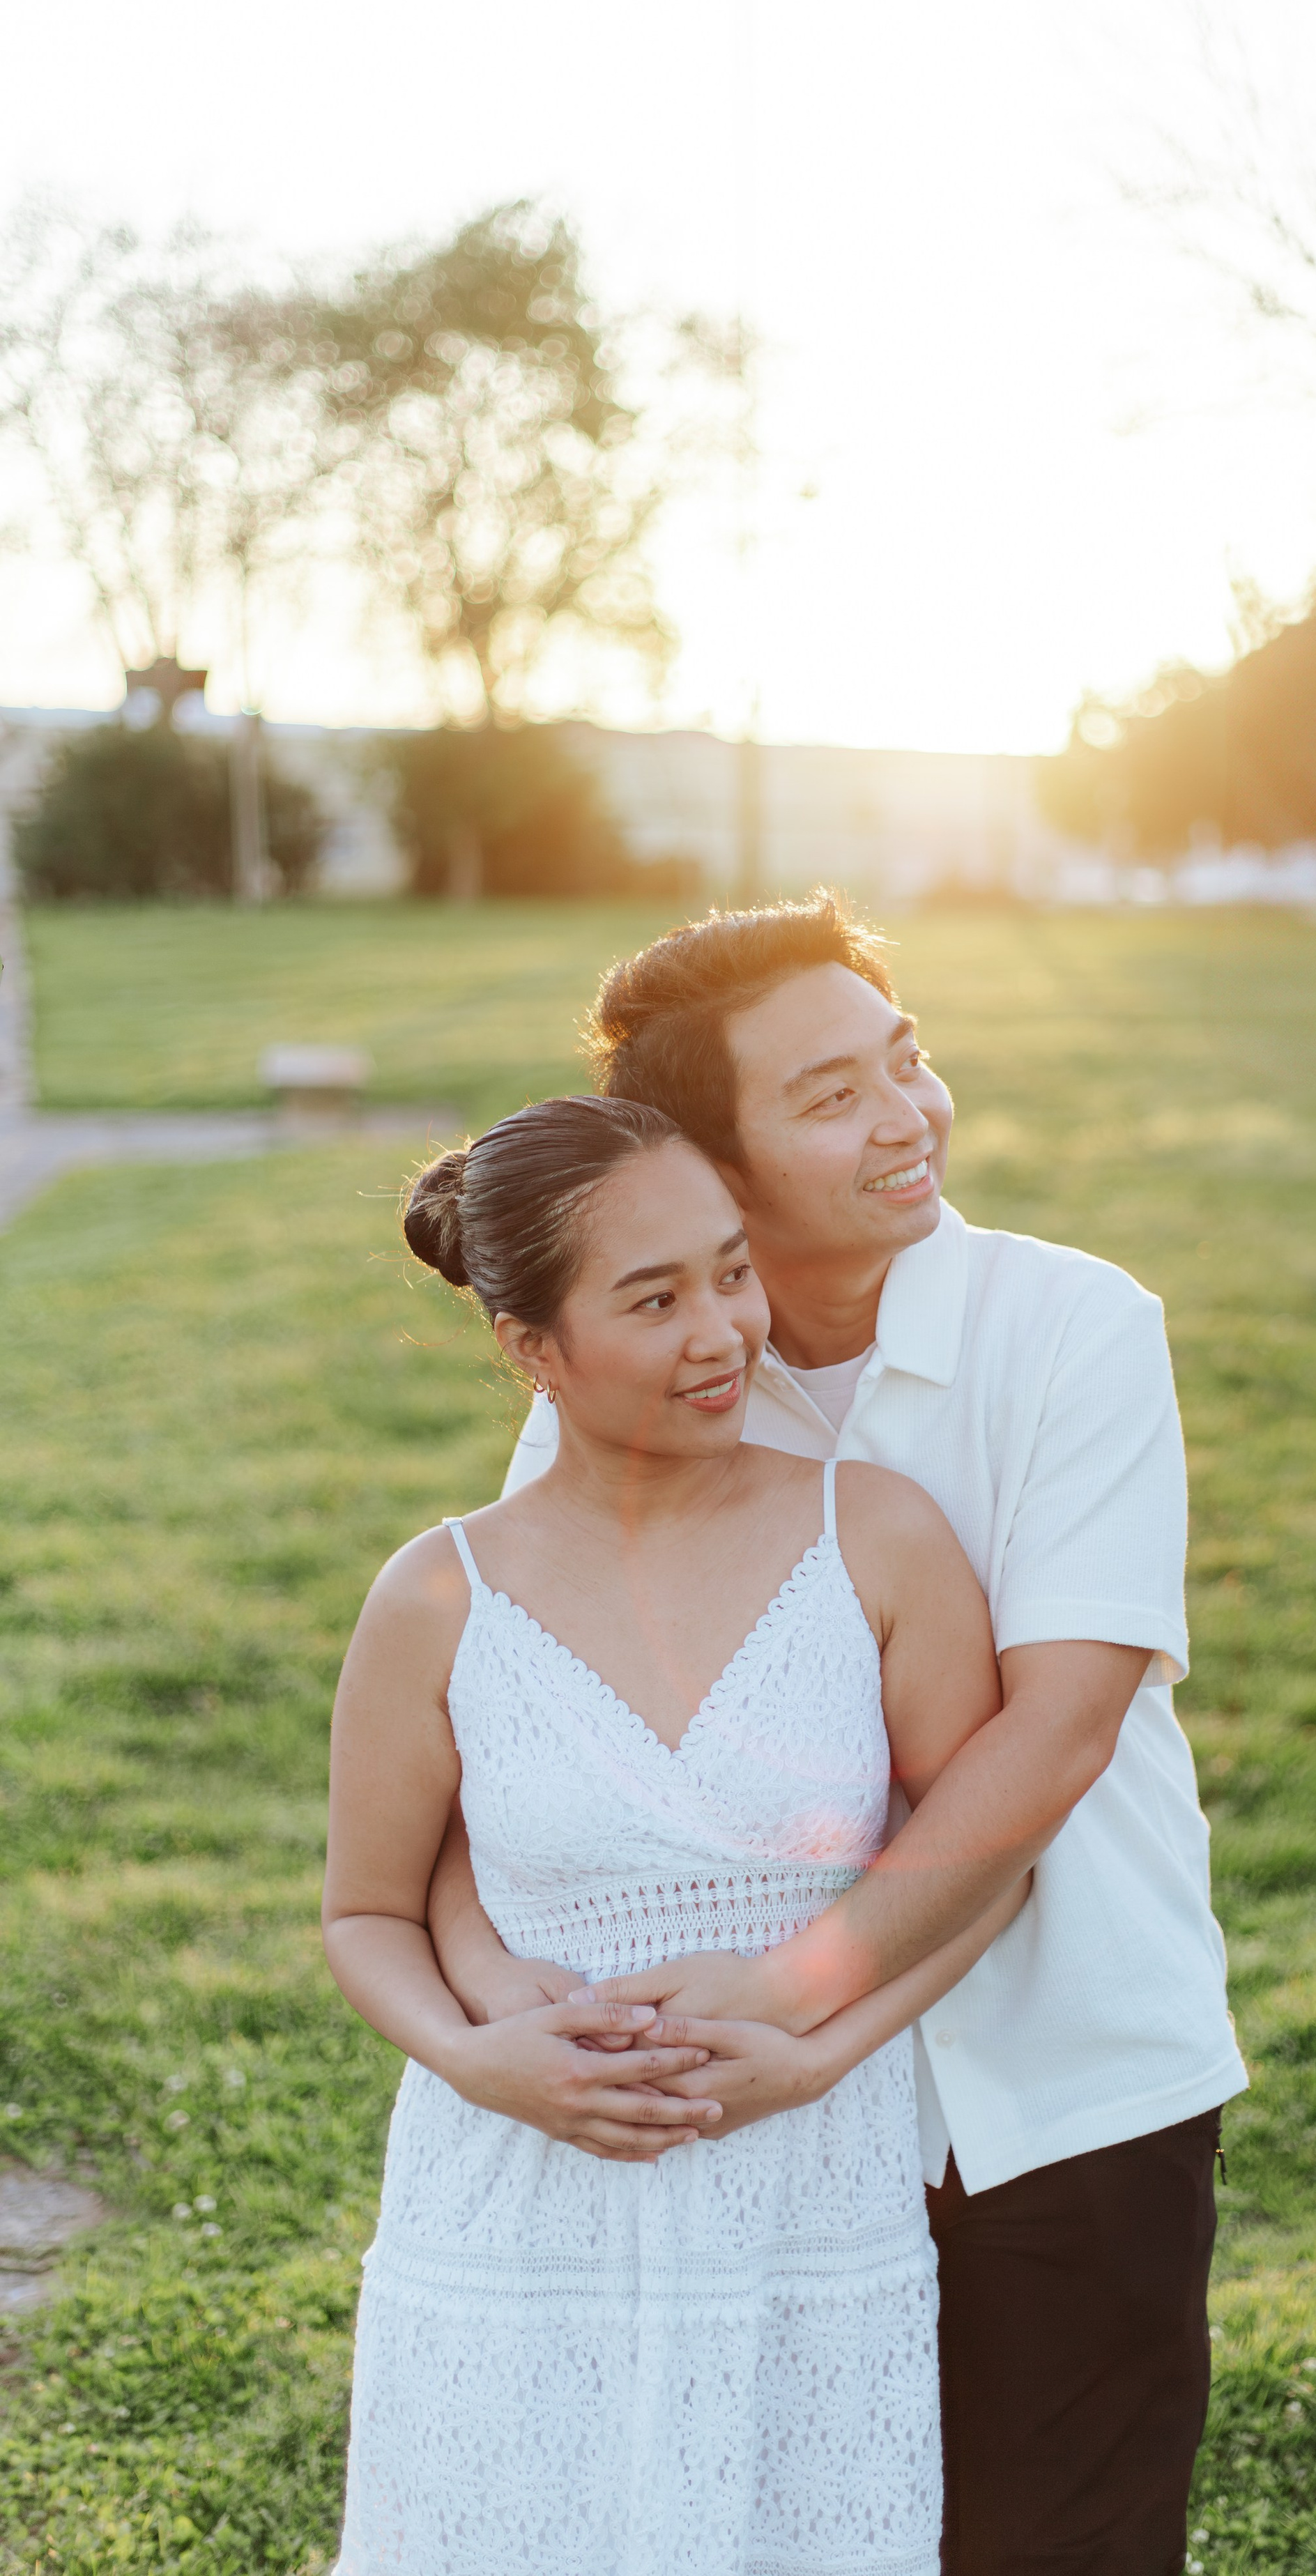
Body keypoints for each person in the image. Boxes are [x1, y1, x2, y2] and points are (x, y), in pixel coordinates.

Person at [429, 894, 1249, 2576]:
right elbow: (506, 1706)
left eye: (907, 1060)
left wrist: (795, 1998)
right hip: (761, 2143)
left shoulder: (1072, 1330)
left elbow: (1060, 1729)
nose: (906, 1118)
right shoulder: (646, 1374)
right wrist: (504, 2009)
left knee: (1061, 2546)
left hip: (1063, 2081)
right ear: (713, 1164)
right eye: (831, 1096)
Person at [323, 1093, 1027, 2575]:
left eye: (729, 1270)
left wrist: (817, 2051)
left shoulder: (877, 1538)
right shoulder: (436, 1595)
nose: (723, 1333)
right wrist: (471, 2058)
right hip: (507, 2209)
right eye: (655, 1299)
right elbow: (367, 1916)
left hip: (802, 2206)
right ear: (532, 1349)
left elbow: (980, 1865)